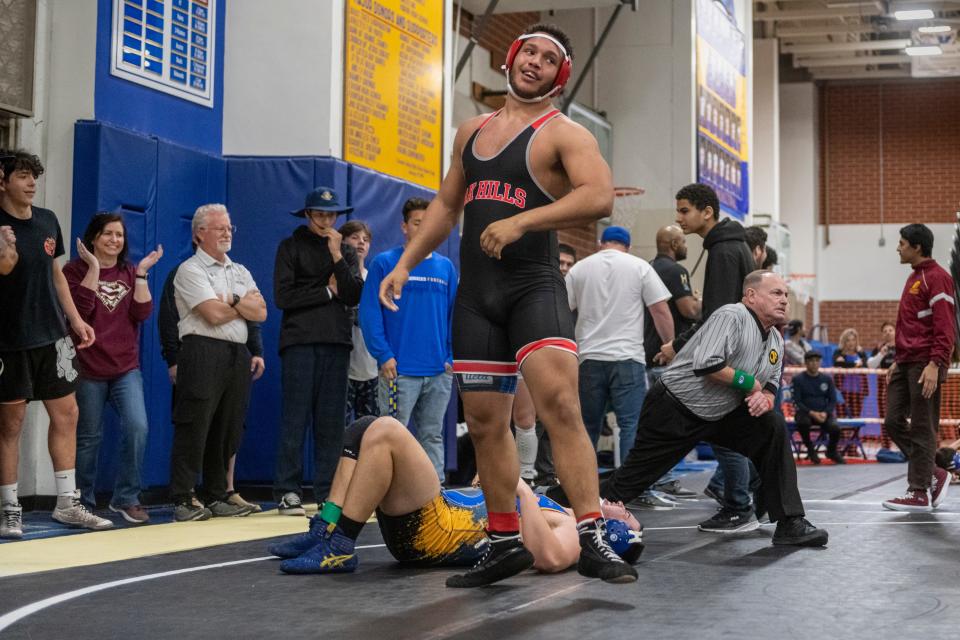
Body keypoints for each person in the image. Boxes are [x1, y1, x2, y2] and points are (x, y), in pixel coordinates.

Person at [376, 23, 637, 585]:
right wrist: (404, 264)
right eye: (529, 53)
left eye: (548, 59)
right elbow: (447, 206)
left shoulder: (562, 133)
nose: (535, 63)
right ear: (511, 59)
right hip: (477, 296)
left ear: (559, 76)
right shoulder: (470, 130)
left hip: (532, 288)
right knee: (484, 423)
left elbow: (598, 196)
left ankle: (590, 532)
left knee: (560, 406)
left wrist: (523, 221)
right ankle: (502, 541)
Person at [596, 272, 829, 547]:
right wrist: (749, 383)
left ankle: (790, 522)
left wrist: (764, 397)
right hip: (675, 408)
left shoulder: (775, 341)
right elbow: (706, 364)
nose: (784, 300)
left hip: (720, 413)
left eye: (786, 295)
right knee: (632, 482)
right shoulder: (732, 316)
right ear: (751, 296)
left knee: (772, 427)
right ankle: (561, 501)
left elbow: (772, 384)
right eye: (776, 293)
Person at [268, 415, 643, 578]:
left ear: (613, 535)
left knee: (385, 431)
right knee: (364, 428)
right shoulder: (561, 509)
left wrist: (517, 485)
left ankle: (340, 547)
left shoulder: (576, 536)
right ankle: (327, 528)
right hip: (437, 513)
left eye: (626, 516)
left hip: (433, 531)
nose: (622, 507)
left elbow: (549, 557)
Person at [0, 150, 111, 539]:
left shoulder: (47, 220)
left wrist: (76, 321)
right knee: (10, 425)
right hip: (9, 340)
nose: (32, 183)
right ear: (3, 181)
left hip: (54, 337)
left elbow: (57, 275)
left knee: (68, 414)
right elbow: (4, 272)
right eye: (23, 176)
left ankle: (67, 503)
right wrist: (5, 257)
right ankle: (10, 508)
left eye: (35, 176)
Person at [658, 183, 758, 535]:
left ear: (707, 212)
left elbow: (716, 313)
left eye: (684, 210)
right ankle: (748, 500)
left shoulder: (724, 251)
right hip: (741, 354)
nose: (678, 217)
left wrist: (678, 345)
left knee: (725, 433)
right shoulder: (731, 245)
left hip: (727, 358)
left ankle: (738, 507)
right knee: (741, 432)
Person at [169, 204, 266, 521]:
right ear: (199, 233)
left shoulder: (239, 271)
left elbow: (262, 312)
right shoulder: (190, 270)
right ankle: (184, 496)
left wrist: (231, 301)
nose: (227, 232)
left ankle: (216, 493)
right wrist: (242, 304)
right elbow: (211, 314)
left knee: (227, 425)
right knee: (195, 422)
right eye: (219, 228)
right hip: (202, 349)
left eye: (229, 228)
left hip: (236, 352)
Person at [63, 213, 162, 524]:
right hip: (88, 367)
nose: (114, 240)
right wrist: (94, 268)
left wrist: (143, 274)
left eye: (119, 235)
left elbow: (143, 312)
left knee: (137, 427)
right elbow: (80, 312)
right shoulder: (73, 270)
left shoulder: (129, 272)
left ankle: (126, 498)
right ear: (93, 238)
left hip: (124, 368)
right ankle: (83, 501)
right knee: (88, 437)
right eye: (107, 234)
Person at [273, 187, 363, 516]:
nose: (327, 220)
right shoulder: (290, 247)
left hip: (337, 343)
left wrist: (338, 255)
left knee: (331, 424)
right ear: (308, 214)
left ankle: (328, 493)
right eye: (321, 214)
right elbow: (284, 297)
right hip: (299, 342)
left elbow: (353, 294)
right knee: (295, 419)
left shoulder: (346, 251)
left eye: (332, 214)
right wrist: (326, 291)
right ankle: (287, 491)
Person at [360, 197, 457, 482]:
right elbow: (369, 314)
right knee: (392, 436)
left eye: (428, 223)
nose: (423, 228)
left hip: (439, 373)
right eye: (417, 222)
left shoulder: (446, 268)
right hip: (398, 371)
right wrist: (383, 354)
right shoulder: (385, 264)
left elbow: (455, 316)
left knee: (432, 435)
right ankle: (391, 495)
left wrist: (451, 358)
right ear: (404, 227)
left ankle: (434, 496)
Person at [566, 225, 674, 461]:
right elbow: (660, 310)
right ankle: (627, 492)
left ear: (600, 244)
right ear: (628, 247)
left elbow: (563, 312)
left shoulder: (579, 269)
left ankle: (581, 491)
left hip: (588, 359)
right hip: (628, 359)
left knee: (585, 428)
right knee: (631, 425)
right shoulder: (640, 266)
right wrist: (670, 345)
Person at [881, 224, 956, 511]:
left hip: (926, 364)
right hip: (906, 362)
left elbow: (945, 327)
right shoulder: (915, 277)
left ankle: (919, 491)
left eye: (902, 243)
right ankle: (935, 471)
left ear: (917, 247)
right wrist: (898, 361)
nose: (898, 248)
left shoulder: (937, 278)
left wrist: (936, 364)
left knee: (924, 427)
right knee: (892, 421)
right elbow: (911, 327)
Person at [640, 224, 701, 503]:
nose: (687, 246)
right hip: (667, 356)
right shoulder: (676, 271)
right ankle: (663, 480)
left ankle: (659, 478)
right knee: (669, 423)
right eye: (684, 241)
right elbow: (688, 310)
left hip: (645, 353)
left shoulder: (648, 268)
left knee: (652, 420)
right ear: (674, 243)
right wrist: (705, 302)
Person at [340, 220, 379, 423]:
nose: (361, 243)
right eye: (355, 238)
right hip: (343, 369)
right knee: (341, 431)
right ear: (343, 241)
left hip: (371, 370)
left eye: (365, 239)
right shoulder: (336, 277)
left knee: (371, 431)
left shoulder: (375, 280)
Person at [791, 351, 844, 465]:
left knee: (835, 428)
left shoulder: (827, 379)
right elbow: (797, 401)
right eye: (811, 361)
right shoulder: (798, 380)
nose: (814, 364)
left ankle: (831, 451)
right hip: (805, 412)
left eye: (817, 361)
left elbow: (832, 400)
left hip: (823, 413)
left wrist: (825, 412)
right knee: (803, 423)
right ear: (806, 363)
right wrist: (811, 413)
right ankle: (810, 449)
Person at [831, 328, 868, 419]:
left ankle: (854, 433)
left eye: (853, 340)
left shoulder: (860, 353)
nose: (851, 343)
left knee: (856, 417)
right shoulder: (838, 353)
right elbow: (838, 363)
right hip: (842, 391)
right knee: (841, 416)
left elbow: (865, 365)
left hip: (858, 391)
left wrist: (850, 364)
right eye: (848, 340)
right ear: (844, 342)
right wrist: (855, 364)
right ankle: (841, 434)